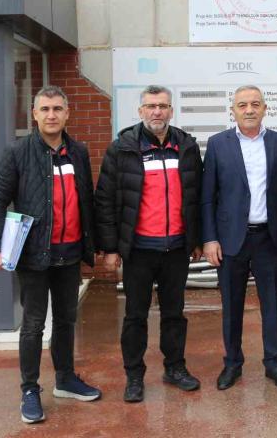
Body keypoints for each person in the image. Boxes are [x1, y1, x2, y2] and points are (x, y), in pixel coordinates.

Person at [0, 85, 101, 425]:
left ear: (67, 113)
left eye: (57, 109)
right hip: (35, 254)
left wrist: (95, 243)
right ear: (34, 114)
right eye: (45, 109)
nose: (52, 115)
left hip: (70, 253)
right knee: (34, 324)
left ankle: (65, 379)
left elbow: (86, 200)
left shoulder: (78, 151)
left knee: (66, 320)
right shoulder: (17, 152)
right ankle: (30, 390)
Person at [94, 85, 203, 403]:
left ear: (171, 111)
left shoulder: (186, 147)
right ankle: (134, 376)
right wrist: (110, 248)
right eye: (151, 106)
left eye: (163, 106)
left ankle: (175, 368)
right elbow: (105, 200)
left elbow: (196, 197)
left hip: (176, 249)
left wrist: (195, 239)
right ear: (140, 111)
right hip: (139, 250)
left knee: (174, 314)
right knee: (135, 316)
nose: (157, 112)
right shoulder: (122, 149)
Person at [201, 85, 277, 391]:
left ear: (265, 108)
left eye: (255, 104)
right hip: (230, 240)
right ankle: (232, 363)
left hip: (269, 237)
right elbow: (208, 196)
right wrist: (210, 239)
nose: (249, 109)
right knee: (231, 305)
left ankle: (274, 363)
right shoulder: (218, 144)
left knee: (272, 304)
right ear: (233, 111)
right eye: (242, 105)